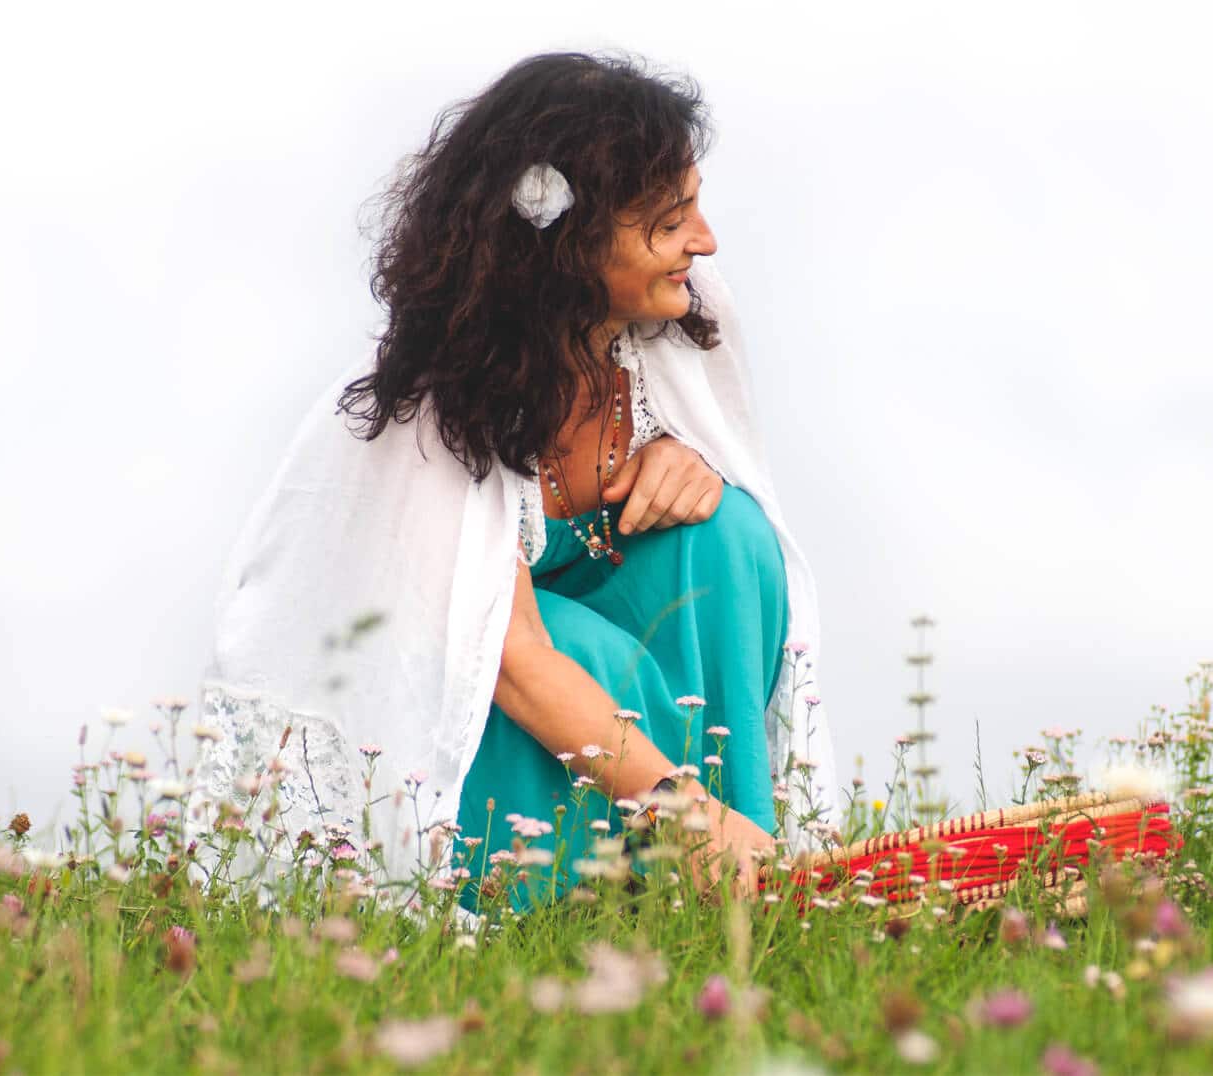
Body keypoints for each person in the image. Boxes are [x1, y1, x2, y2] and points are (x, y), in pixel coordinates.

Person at [188, 52, 838, 917]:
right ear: (569, 247)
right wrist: (684, 814)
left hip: (577, 665)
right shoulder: (437, 406)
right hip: (451, 701)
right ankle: (589, 897)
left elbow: (715, 476)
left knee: (730, 537)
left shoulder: (669, 328)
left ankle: (754, 885)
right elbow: (514, 658)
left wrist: (687, 458)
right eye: (669, 220)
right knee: (584, 653)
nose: (705, 241)